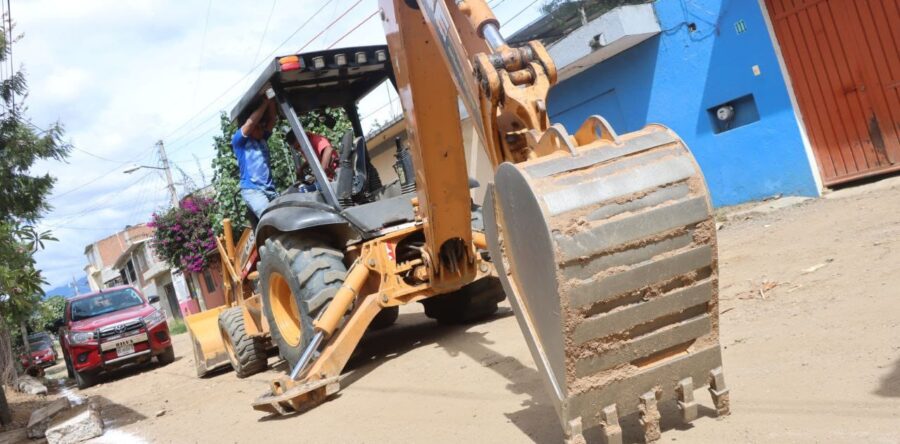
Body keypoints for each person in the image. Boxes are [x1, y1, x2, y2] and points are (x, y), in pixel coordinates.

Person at [232, 99, 278, 218]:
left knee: (284, 216)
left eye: (263, 126)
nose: (262, 129)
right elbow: (251, 123)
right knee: (271, 219)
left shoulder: (262, 138)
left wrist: (271, 100)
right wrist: (265, 102)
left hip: (270, 190)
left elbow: (272, 120)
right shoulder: (240, 142)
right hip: (253, 191)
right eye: (259, 126)